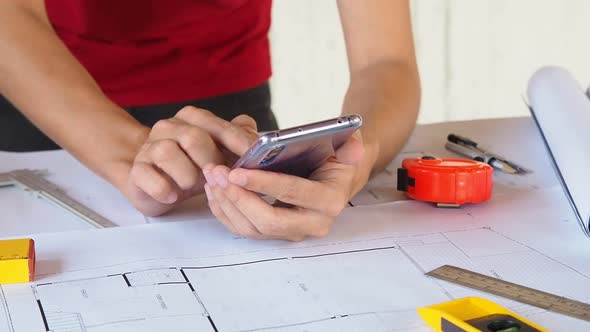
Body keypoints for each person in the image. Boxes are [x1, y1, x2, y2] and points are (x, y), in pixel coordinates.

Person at [0, 0, 420, 241]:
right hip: (47, 107)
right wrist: (127, 154)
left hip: (234, 120)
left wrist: (355, 162)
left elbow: (387, 62)